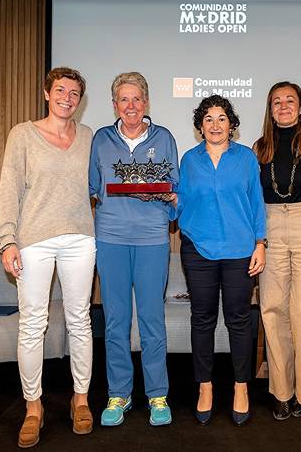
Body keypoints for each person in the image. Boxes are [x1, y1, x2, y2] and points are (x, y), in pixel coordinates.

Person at [0, 67, 96, 448]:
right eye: (60, 90)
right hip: (33, 240)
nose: (67, 97)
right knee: (33, 324)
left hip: (81, 239)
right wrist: (7, 240)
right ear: (46, 93)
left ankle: (80, 399)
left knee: (80, 321)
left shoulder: (88, 137)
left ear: (80, 100)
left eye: (74, 93)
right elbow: (9, 189)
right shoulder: (22, 134)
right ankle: (33, 407)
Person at [89, 72, 179, 427]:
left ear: (146, 103)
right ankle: (119, 394)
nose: (130, 106)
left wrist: (168, 194)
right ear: (114, 105)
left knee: (152, 320)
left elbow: (175, 189)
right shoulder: (101, 139)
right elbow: (93, 189)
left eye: (136, 99)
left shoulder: (164, 138)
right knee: (115, 321)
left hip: (153, 240)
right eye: (123, 99)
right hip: (110, 239)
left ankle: (157, 394)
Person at [175, 95, 265, 426]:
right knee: (202, 319)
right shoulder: (189, 160)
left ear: (232, 124)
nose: (215, 124)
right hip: (198, 250)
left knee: (239, 320)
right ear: (201, 126)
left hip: (241, 251)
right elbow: (179, 203)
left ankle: (241, 388)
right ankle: (205, 387)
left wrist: (260, 243)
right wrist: (164, 199)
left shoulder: (245, 159)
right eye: (209, 119)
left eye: (222, 118)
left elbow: (257, 202)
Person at [254, 82, 301, 421]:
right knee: (272, 308)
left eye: (290, 101)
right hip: (270, 225)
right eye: (277, 102)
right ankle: (281, 392)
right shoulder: (258, 148)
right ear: (270, 110)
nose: (283, 106)